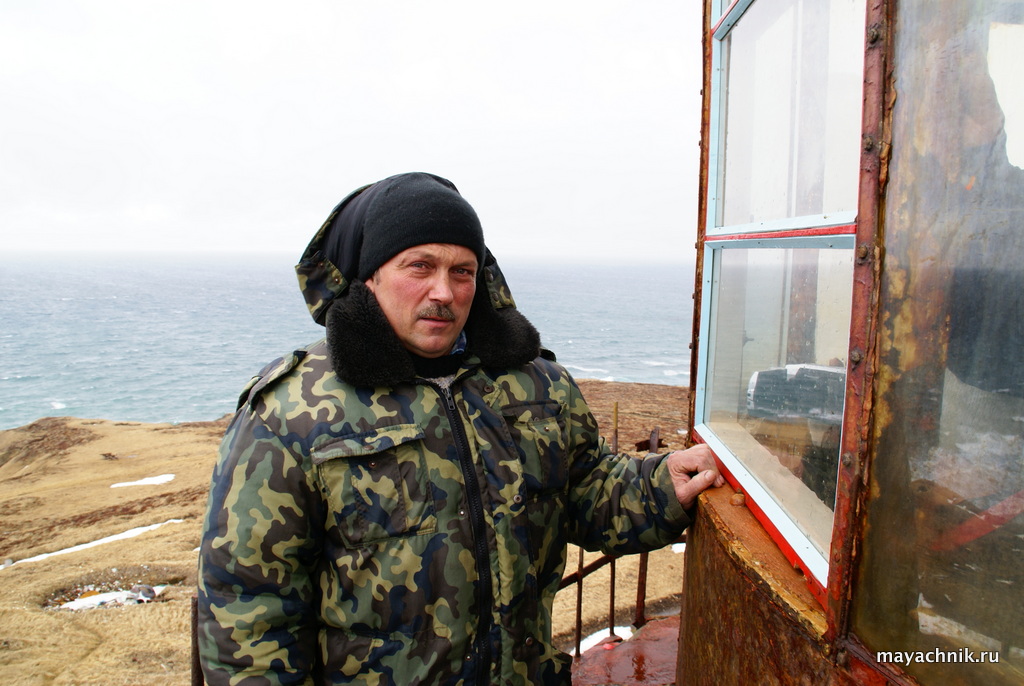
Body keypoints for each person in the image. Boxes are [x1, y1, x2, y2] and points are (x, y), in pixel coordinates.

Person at [197, 172, 723, 685]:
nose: (444, 292)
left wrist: (662, 485)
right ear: (369, 276)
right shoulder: (292, 412)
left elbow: (586, 489)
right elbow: (249, 604)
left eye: (462, 271)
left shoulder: (536, 384)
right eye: (420, 266)